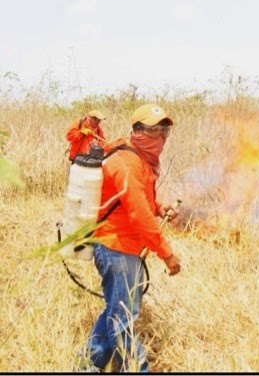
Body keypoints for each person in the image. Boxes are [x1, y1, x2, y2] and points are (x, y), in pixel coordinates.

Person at [81, 104, 181, 373]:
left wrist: (159, 207)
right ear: (137, 132)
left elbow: (138, 199)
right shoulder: (126, 163)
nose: (160, 140)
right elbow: (139, 214)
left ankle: (88, 364)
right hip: (115, 247)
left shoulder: (137, 157)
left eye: (164, 132)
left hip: (124, 247)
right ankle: (137, 369)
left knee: (116, 309)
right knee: (123, 317)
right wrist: (166, 253)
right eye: (154, 132)